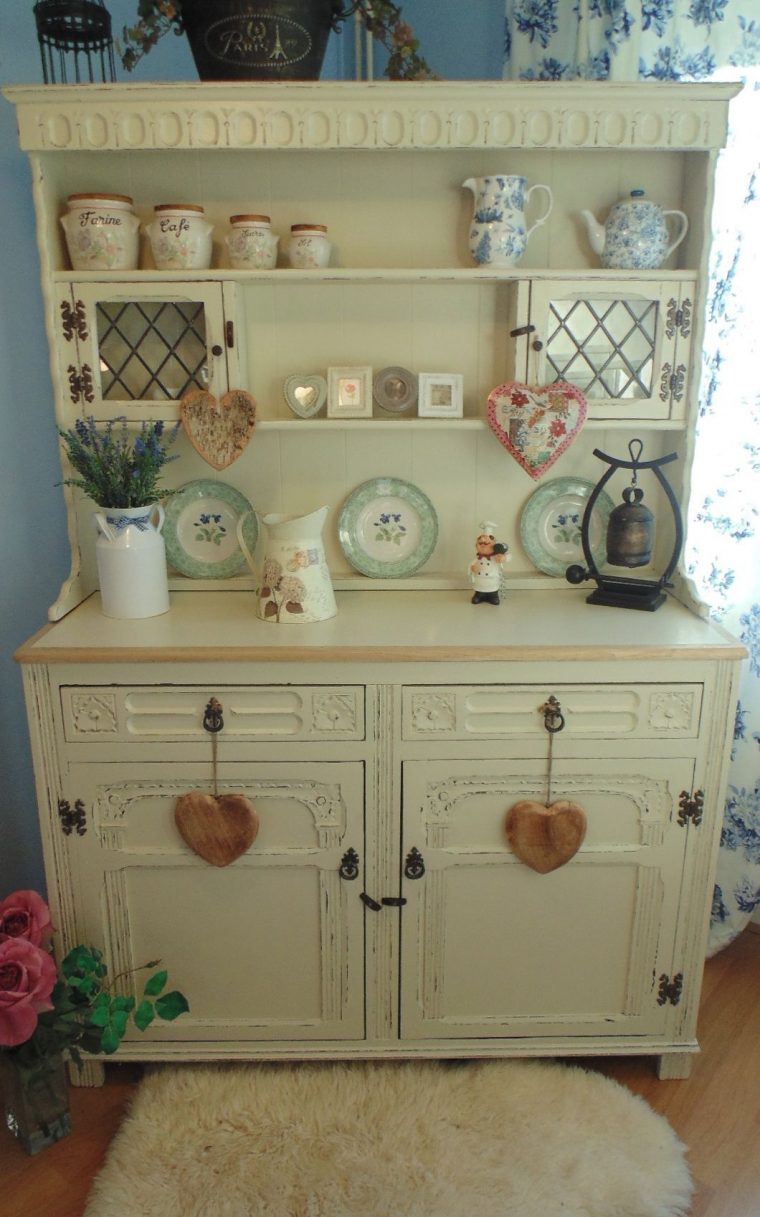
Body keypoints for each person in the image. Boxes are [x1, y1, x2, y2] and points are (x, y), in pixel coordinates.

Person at [469, 522, 510, 605]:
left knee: (493, 593)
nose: (483, 545)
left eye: (486, 544)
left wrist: (504, 557)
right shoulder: (477, 558)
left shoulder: (496, 557)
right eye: (481, 544)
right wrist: (472, 568)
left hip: (492, 583)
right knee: (479, 591)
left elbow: (509, 556)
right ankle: (478, 595)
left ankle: (493, 596)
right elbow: (470, 565)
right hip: (479, 583)